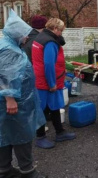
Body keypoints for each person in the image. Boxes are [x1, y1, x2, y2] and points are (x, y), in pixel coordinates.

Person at [0, 10, 46, 178]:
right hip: (14, 105)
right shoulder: (9, 51)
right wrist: (10, 98)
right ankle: (28, 172)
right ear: (16, 33)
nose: (26, 38)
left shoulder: (6, 45)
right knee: (22, 136)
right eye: (24, 34)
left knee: (5, 135)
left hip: (10, 104)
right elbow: (6, 76)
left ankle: (4, 170)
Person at [32, 18, 75, 149]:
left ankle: (60, 132)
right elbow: (49, 64)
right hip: (46, 82)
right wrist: (52, 84)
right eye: (61, 30)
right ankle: (40, 137)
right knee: (42, 109)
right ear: (55, 29)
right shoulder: (50, 42)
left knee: (55, 106)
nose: (61, 33)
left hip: (40, 78)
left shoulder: (40, 37)